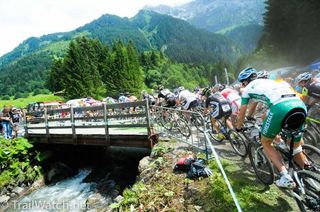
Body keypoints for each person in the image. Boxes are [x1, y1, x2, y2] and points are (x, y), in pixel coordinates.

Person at [236, 67, 308, 189]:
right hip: (299, 105)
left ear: (244, 82)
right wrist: (250, 115)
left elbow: (243, 112)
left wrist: (238, 127)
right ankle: (308, 176)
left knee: (266, 142)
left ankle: (285, 176)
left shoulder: (247, 89)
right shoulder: (270, 81)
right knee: (295, 147)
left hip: (280, 108)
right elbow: (255, 104)